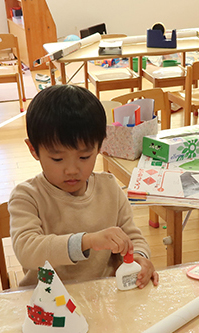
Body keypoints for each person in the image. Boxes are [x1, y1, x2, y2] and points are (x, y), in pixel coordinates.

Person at [9, 85, 158, 288]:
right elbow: (27, 251)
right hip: (48, 299)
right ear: (33, 150)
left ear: (99, 146)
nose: (72, 170)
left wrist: (139, 257)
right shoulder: (27, 197)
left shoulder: (109, 188)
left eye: (84, 157)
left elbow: (132, 237)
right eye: (57, 159)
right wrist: (87, 241)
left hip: (103, 294)